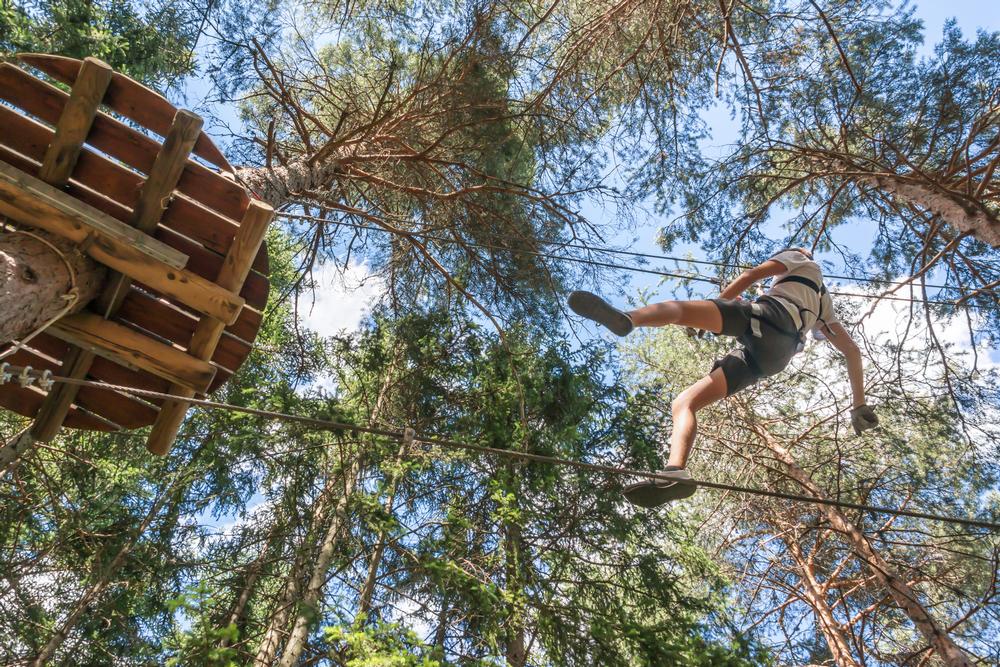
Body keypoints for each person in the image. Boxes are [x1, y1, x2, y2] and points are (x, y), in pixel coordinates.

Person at [568, 247, 879, 507]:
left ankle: (628, 319)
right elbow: (851, 350)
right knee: (685, 402)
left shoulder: (800, 258)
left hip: (771, 317)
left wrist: (714, 309)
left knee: (677, 310)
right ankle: (674, 470)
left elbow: (750, 276)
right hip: (775, 356)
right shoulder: (824, 302)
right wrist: (858, 405)